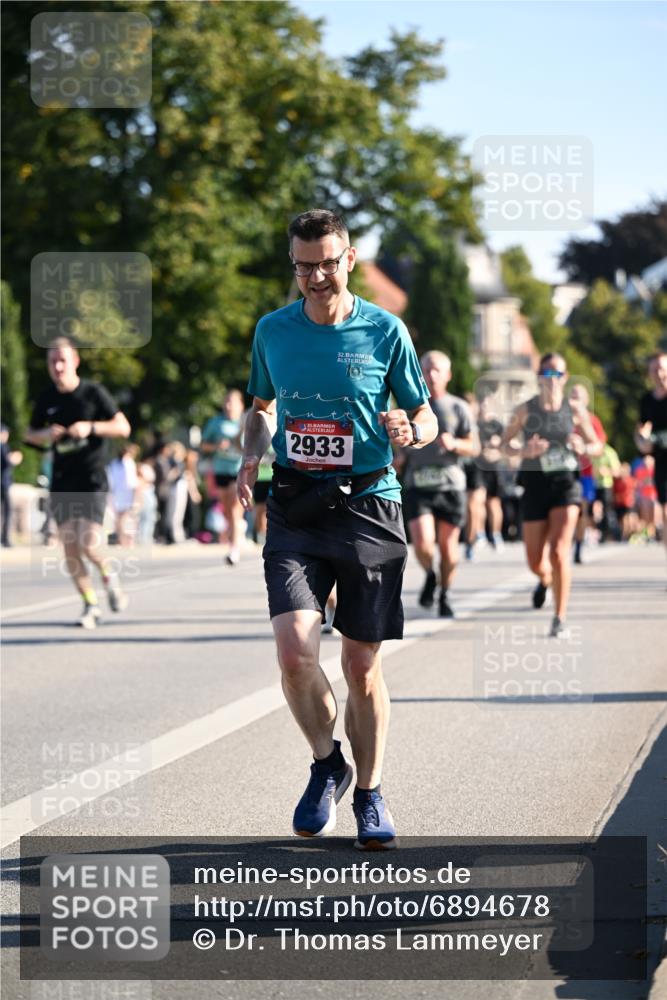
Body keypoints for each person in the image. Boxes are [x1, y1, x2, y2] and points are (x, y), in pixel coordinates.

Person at [237, 209, 436, 849]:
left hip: (368, 504)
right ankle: (329, 764)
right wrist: (248, 457)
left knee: (360, 666)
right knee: (296, 652)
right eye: (304, 265)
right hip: (296, 501)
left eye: (327, 261)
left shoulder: (385, 330)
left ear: (349, 258)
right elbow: (260, 408)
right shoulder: (273, 331)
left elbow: (423, 415)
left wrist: (414, 429)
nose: (317, 275)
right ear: (292, 264)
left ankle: (371, 793)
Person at [25, 337, 131, 628]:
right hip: (62, 480)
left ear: (75, 361)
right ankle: (90, 603)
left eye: (63, 360)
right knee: (70, 552)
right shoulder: (46, 399)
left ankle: (109, 577)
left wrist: (91, 426)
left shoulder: (93, 393)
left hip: (92, 478)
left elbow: (123, 427)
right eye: (52, 361)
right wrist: (46, 435)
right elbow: (29, 434)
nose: (58, 366)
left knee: (88, 544)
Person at [500, 352, 602, 638]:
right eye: (546, 374)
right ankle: (544, 580)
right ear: (539, 378)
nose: (552, 380)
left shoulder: (575, 410)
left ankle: (559, 617)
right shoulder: (525, 410)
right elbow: (504, 445)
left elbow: (597, 446)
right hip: (534, 486)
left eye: (557, 374)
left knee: (559, 551)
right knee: (535, 561)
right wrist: (524, 451)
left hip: (566, 486)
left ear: (565, 377)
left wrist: (583, 446)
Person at [397, 351, 477, 618]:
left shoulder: (458, 408)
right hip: (418, 484)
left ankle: (444, 593)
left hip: (450, 486)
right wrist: (397, 456)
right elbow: (398, 450)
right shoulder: (410, 408)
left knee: (449, 551)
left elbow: (474, 446)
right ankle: (431, 574)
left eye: (437, 370)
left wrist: (456, 444)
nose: (431, 375)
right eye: (427, 370)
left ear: (448, 375)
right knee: (422, 544)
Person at [202, 389, 246, 564]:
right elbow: (204, 445)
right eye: (226, 402)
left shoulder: (247, 421)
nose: (228, 406)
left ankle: (233, 549)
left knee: (235, 509)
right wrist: (216, 447)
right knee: (227, 510)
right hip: (221, 470)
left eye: (232, 402)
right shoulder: (215, 423)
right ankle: (238, 529)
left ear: (241, 405)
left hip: (240, 470)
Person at [568, 383, 606, 564]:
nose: (575, 400)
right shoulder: (561, 418)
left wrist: (584, 448)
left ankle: (578, 545)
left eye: (579, 397)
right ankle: (565, 541)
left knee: (581, 511)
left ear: (586, 400)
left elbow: (599, 446)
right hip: (564, 472)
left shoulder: (592, 420)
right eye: (572, 396)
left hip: (585, 473)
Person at [636, 351, 667, 563]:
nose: (659, 373)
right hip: (661, 463)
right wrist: (642, 441)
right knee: (665, 515)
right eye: (654, 369)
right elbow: (640, 432)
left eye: (662, 368)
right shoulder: (646, 401)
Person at [107, 443, 138, 546]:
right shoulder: (128, 463)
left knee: (119, 518)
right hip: (125, 493)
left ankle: (119, 538)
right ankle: (123, 540)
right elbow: (131, 482)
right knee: (123, 518)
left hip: (117, 493)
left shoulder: (114, 463)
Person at [1, 424, 23, 547]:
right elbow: (8, 462)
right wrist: (16, 458)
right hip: (3, 484)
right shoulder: (2, 446)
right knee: (7, 512)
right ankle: (5, 539)